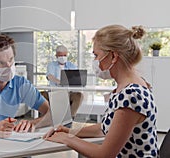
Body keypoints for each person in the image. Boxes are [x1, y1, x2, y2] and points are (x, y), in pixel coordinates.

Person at [44, 25, 158, 157]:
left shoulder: (131, 95)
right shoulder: (128, 87)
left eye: (96, 55)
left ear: (114, 56)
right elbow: (104, 128)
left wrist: (67, 139)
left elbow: (104, 154)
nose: (95, 61)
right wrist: (70, 131)